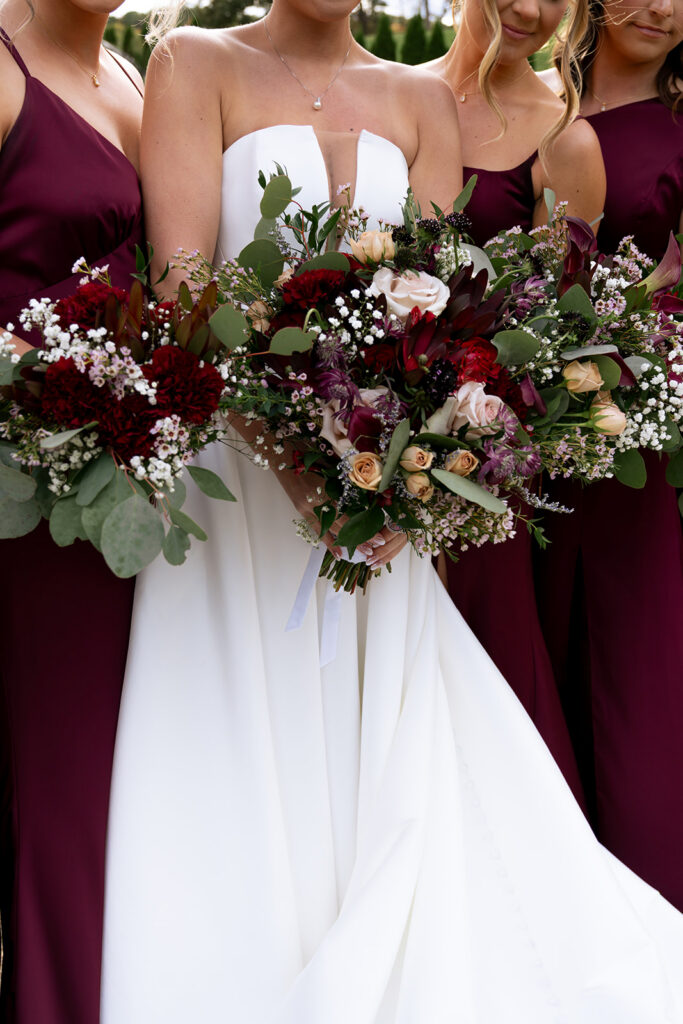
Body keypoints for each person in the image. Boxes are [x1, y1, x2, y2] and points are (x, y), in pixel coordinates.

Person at [101, 2, 683, 1021]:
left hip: (371, 503)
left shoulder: (420, 101)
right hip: (238, 491)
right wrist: (295, 456)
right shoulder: (191, 62)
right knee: (232, 753)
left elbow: (426, 309)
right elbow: (183, 288)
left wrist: (394, 464)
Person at [424, 0, 606, 807]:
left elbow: (560, 344)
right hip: (354, 447)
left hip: (479, 472)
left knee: (491, 678)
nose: (532, 8)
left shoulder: (563, 136)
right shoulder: (392, 94)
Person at [0, 1, 143, 1020]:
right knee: (59, 788)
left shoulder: (131, 75)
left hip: (119, 493)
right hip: (21, 490)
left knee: (103, 791)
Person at [536, 0, 683, 912]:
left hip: (638, 442)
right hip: (509, 438)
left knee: (635, 681)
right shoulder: (523, 95)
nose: (660, 7)